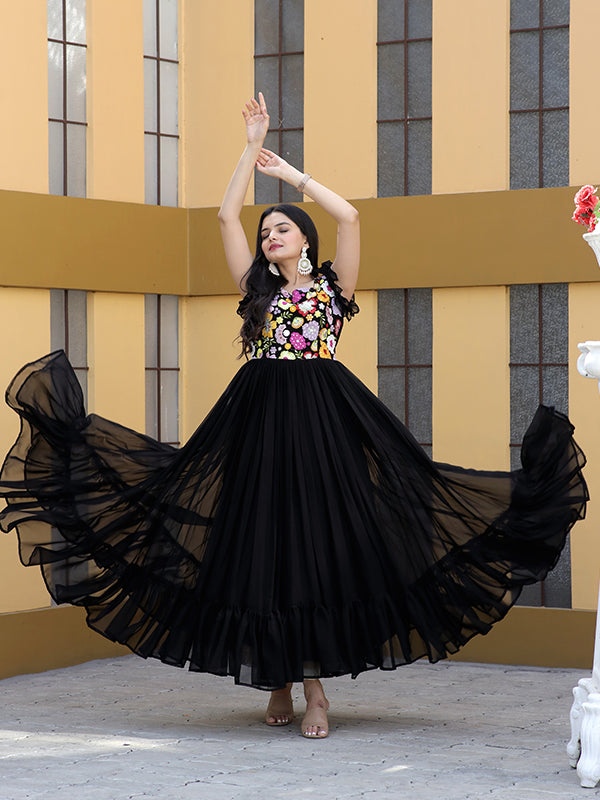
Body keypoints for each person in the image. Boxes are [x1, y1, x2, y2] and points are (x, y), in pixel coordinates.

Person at [0, 94, 588, 741]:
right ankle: (276, 678)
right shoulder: (255, 291)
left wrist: (292, 177)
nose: (268, 236)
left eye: (280, 229)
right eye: (266, 233)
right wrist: (250, 149)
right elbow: (227, 214)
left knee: (316, 545)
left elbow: (352, 215)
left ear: (303, 238)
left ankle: (315, 692)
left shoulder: (334, 288)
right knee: (259, 542)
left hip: (323, 424)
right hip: (255, 424)